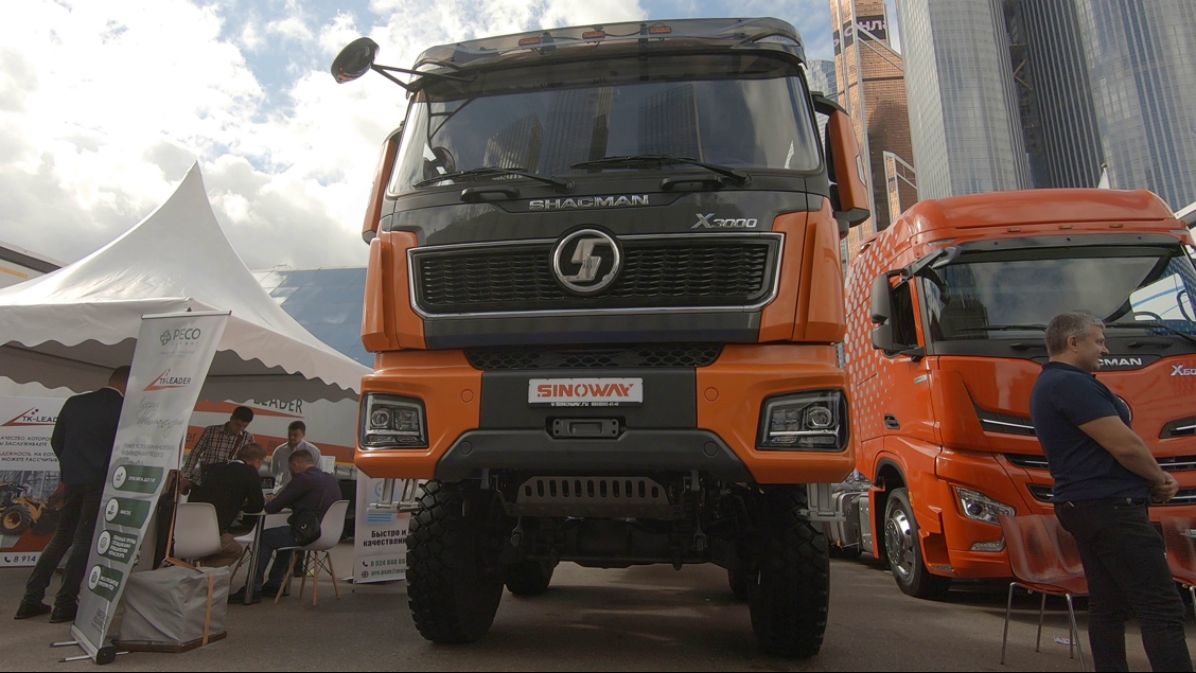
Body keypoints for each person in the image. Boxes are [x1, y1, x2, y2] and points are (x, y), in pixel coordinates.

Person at [1030, 312, 1191, 672]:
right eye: (1099, 341)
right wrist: (1159, 478)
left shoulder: (1053, 383)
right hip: (1111, 507)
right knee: (1162, 605)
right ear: (1073, 342)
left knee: (1108, 605)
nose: (1105, 349)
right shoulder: (1071, 384)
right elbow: (1124, 445)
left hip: (1085, 505)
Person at [15, 366, 129, 623]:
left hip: (73, 480)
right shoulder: (122, 409)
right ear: (128, 384)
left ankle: (30, 600)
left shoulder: (75, 402)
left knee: (61, 537)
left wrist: (72, 469)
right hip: (99, 482)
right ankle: (65, 604)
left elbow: (57, 441)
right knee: (84, 542)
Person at [230, 449, 338, 603]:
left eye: (291, 468)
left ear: (296, 464)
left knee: (265, 537)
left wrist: (272, 500)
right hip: (327, 534)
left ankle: (253, 589)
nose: (291, 472)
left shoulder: (303, 479)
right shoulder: (330, 479)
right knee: (283, 537)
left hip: (306, 533)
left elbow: (273, 507)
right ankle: (275, 583)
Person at [186, 443, 267, 567]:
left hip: (188, 528)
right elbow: (257, 505)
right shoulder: (250, 472)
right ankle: (201, 570)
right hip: (215, 533)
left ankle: (196, 567)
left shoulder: (213, 467)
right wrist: (242, 506)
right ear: (257, 461)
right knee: (235, 551)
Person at [181, 406, 254, 490]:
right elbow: (196, 453)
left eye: (244, 426)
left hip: (227, 485)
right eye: (237, 424)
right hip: (203, 481)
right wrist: (185, 476)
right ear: (231, 418)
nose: (240, 428)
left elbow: (249, 463)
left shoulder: (247, 438)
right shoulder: (211, 431)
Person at [270, 421, 323, 490]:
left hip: (303, 492)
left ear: (303, 435)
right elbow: (274, 471)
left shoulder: (313, 451)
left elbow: (318, 473)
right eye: (289, 434)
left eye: (295, 435)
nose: (291, 437)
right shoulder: (279, 451)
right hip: (282, 491)